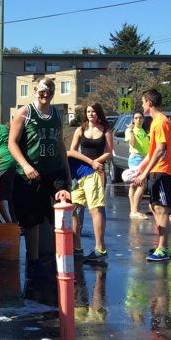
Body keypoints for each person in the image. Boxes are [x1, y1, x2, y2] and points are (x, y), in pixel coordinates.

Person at [7, 77, 72, 276]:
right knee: (31, 219)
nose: (46, 94)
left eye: (50, 90)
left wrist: (67, 173)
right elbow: (12, 143)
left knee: (62, 210)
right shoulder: (25, 113)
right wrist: (25, 165)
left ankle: (61, 256)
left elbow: (61, 145)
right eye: (42, 90)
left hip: (54, 172)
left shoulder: (57, 114)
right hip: (31, 174)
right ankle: (33, 260)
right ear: (35, 91)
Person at [131, 89, 171, 263]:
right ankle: (161, 246)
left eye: (143, 102)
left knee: (162, 209)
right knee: (155, 206)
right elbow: (151, 152)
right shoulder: (155, 122)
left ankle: (163, 248)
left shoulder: (161, 122)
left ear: (149, 102)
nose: (142, 106)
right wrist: (139, 169)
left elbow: (160, 149)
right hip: (156, 170)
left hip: (163, 171)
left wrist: (145, 173)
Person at [67, 103, 113, 263]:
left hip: (96, 173)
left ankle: (100, 249)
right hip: (81, 173)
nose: (90, 114)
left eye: (93, 111)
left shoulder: (106, 130)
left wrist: (95, 163)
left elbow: (108, 152)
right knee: (72, 207)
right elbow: (71, 151)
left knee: (96, 210)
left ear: (98, 113)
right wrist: (89, 161)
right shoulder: (80, 130)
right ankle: (77, 247)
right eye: (88, 111)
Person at [125, 111, 149, 219]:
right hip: (136, 158)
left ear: (143, 119)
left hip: (143, 158)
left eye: (140, 118)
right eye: (136, 118)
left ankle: (133, 210)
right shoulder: (130, 130)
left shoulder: (143, 131)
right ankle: (135, 211)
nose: (138, 120)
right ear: (133, 120)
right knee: (142, 184)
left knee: (134, 185)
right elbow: (132, 143)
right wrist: (131, 131)